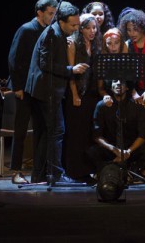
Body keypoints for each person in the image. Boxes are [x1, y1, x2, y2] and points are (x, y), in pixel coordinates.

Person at [25, 1, 89, 184]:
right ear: (61, 22)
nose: (76, 28)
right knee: (57, 131)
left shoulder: (58, 33)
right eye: (73, 25)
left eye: (78, 25)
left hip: (47, 90)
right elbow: (46, 64)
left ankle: (40, 175)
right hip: (46, 91)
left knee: (48, 133)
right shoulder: (52, 34)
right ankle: (56, 175)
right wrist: (71, 69)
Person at [6, 0, 58, 184]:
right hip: (23, 88)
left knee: (41, 128)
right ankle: (16, 171)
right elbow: (14, 60)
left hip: (38, 87)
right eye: (50, 14)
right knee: (20, 129)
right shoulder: (27, 29)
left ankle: (39, 172)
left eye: (54, 14)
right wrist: (18, 87)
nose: (53, 17)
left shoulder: (48, 31)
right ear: (40, 12)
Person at [86, 79, 145, 179]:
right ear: (110, 87)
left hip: (129, 150)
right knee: (92, 152)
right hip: (111, 149)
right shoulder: (101, 106)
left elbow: (143, 134)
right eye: (114, 81)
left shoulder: (136, 106)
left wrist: (128, 152)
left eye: (122, 81)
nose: (118, 83)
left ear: (127, 87)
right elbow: (97, 135)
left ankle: (131, 173)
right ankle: (110, 169)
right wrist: (114, 150)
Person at [62, 13, 101, 183]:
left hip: (92, 94)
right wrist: (75, 95)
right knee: (75, 133)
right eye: (88, 28)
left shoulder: (95, 45)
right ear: (81, 29)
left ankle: (87, 170)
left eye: (94, 28)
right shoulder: (72, 44)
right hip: (77, 94)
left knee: (87, 133)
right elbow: (71, 72)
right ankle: (74, 171)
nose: (92, 31)